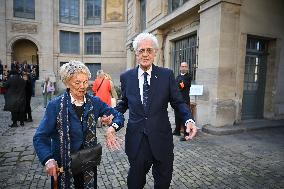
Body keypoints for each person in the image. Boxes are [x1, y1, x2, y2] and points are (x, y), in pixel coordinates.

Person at [107, 32, 198, 189]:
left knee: (162, 183)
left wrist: (189, 119)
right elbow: (125, 102)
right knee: (134, 183)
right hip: (137, 141)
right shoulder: (127, 77)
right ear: (136, 53)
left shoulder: (166, 75)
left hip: (161, 140)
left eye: (149, 50)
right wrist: (113, 115)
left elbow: (179, 102)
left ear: (155, 52)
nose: (145, 54)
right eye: (141, 50)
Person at [33, 60, 124, 188]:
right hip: (63, 165)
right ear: (67, 83)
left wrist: (112, 128)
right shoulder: (55, 106)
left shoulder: (95, 102)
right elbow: (40, 137)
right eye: (77, 82)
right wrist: (48, 159)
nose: (83, 86)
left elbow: (118, 116)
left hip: (88, 165)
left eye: (85, 82)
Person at [172, 62, 192, 141]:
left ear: (187, 68)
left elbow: (182, 86)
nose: (183, 68)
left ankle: (186, 134)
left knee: (185, 117)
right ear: (180, 67)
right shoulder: (178, 77)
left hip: (184, 100)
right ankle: (177, 131)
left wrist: (178, 86)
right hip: (177, 99)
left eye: (185, 66)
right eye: (182, 66)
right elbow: (175, 86)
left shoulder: (188, 77)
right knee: (177, 116)